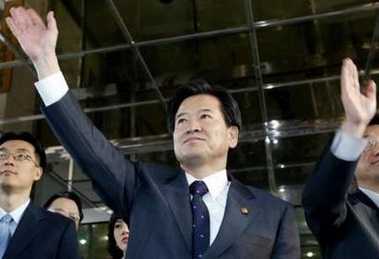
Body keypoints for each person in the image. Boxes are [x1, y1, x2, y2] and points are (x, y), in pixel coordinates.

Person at [6, 7, 300, 258]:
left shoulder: (273, 214)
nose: (191, 125)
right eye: (181, 121)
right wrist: (45, 60)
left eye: (205, 116)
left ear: (232, 135)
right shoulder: (142, 187)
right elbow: (87, 145)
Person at [302, 57, 379, 258]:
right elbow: (320, 202)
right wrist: (354, 126)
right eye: (367, 143)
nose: (377, 149)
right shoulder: (344, 216)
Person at [0, 131, 80, 259]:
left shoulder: (59, 229)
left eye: (21, 156)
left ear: (37, 172)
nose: (9, 161)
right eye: (2, 155)